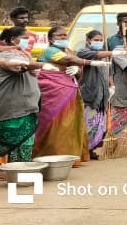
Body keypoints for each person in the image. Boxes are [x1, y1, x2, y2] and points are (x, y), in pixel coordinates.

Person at [35, 26, 105, 163]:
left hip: (71, 90)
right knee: (57, 125)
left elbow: (78, 71)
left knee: (72, 124)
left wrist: (77, 70)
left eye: (65, 36)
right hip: (53, 94)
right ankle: (53, 156)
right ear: (50, 39)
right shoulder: (49, 51)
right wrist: (88, 62)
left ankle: (71, 156)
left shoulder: (70, 51)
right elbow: (67, 61)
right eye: (59, 36)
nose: (63, 38)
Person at [0, 27, 44, 178]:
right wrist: (43, 65)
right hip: (13, 105)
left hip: (27, 105)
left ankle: (19, 170)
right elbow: (22, 66)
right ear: (14, 40)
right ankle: (8, 170)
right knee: (11, 137)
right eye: (26, 37)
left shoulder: (23, 54)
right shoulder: (7, 55)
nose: (29, 40)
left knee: (25, 140)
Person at [76, 30, 116, 158]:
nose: (99, 42)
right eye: (96, 40)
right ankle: (83, 150)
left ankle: (91, 149)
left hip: (102, 94)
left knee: (98, 125)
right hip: (90, 94)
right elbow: (93, 55)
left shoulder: (104, 55)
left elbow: (108, 71)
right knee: (88, 123)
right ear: (88, 40)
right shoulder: (83, 52)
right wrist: (111, 52)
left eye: (100, 40)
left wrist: (111, 84)